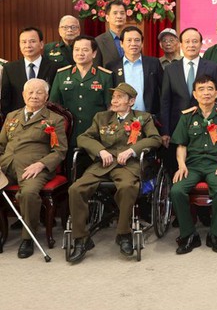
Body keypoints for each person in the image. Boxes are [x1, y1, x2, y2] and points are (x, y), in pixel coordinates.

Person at [67, 83, 162, 263]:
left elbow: (155, 139)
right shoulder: (101, 117)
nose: (114, 100)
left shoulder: (143, 118)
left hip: (128, 165)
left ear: (131, 101)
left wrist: (132, 150)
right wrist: (100, 150)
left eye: (119, 97)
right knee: (76, 189)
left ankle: (124, 234)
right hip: (103, 164)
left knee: (127, 187)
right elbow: (83, 137)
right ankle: (81, 238)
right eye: (113, 97)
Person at [170, 75, 217, 254]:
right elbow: (181, 145)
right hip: (192, 165)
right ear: (195, 94)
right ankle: (189, 235)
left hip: (216, 165)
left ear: (216, 93)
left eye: (210, 89)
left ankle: (215, 234)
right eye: (201, 89)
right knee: (176, 191)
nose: (206, 93)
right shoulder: (187, 117)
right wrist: (181, 165)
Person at [0, 78, 67, 258]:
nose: (34, 96)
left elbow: (60, 151)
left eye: (39, 92)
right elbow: (1, 145)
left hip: (33, 168)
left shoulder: (55, 119)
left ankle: (27, 238)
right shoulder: (11, 117)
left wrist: (41, 164)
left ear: (46, 97)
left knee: (28, 194)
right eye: (30, 92)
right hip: (6, 165)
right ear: (23, 95)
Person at [160, 28, 217, 170]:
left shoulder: (212, 67)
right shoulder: (170, 69)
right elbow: (165, 102)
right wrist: (165, 131)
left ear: (200, 44)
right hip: (177, 127)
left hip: (206, 126)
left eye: (195, 41)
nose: (191, 45)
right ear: (180, 44)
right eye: (187, 41)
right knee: (176, 168)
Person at [50, 35, 113, 145]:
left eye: (85, 50)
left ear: (94, 53)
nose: (80, 53)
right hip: (68, 133)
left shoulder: (104, 76)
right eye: (76, 49)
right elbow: (53, 106)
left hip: (95, 133)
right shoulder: (62, 74)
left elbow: (110, 107)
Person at [1, 26, 60, 115]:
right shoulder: (9, 68)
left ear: (41, 44)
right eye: (24, 42)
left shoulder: (55, 68)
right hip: (18, 121)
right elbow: (6, 100)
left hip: (47, 121)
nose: (28, 45)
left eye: (32, 41)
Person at [106, 26, 163, 116]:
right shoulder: (112, 66)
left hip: (149, 117)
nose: (133, 44)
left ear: (142, 43)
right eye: (129, 40)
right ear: (121, 43)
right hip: (121, 118)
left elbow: (162, 89)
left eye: (137, 40)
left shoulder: (153, 63)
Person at [95, 0, 127, 67]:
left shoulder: (133, 39)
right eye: (115, 13)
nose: (119, 16)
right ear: (107, 18)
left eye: (122, 13)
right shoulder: (98, 41)